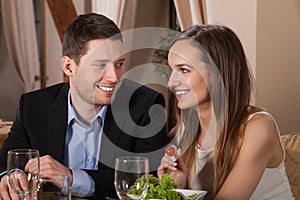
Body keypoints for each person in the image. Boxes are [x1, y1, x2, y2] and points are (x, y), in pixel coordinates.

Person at [0, 13, 168, 199]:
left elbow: (149, 178)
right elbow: (5, 164)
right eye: (100, 65)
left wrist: (72, 178)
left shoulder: (145, 105)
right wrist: (10, 177)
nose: (114, 77)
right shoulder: (33, 106)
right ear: (69, 67)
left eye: (119, 64)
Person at [158, 25, 294, 200]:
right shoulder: (184, 132)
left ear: (218, 72)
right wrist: (177, 188)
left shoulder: (258, 127)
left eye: (184, 70)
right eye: (172, 70)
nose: (171, 82)